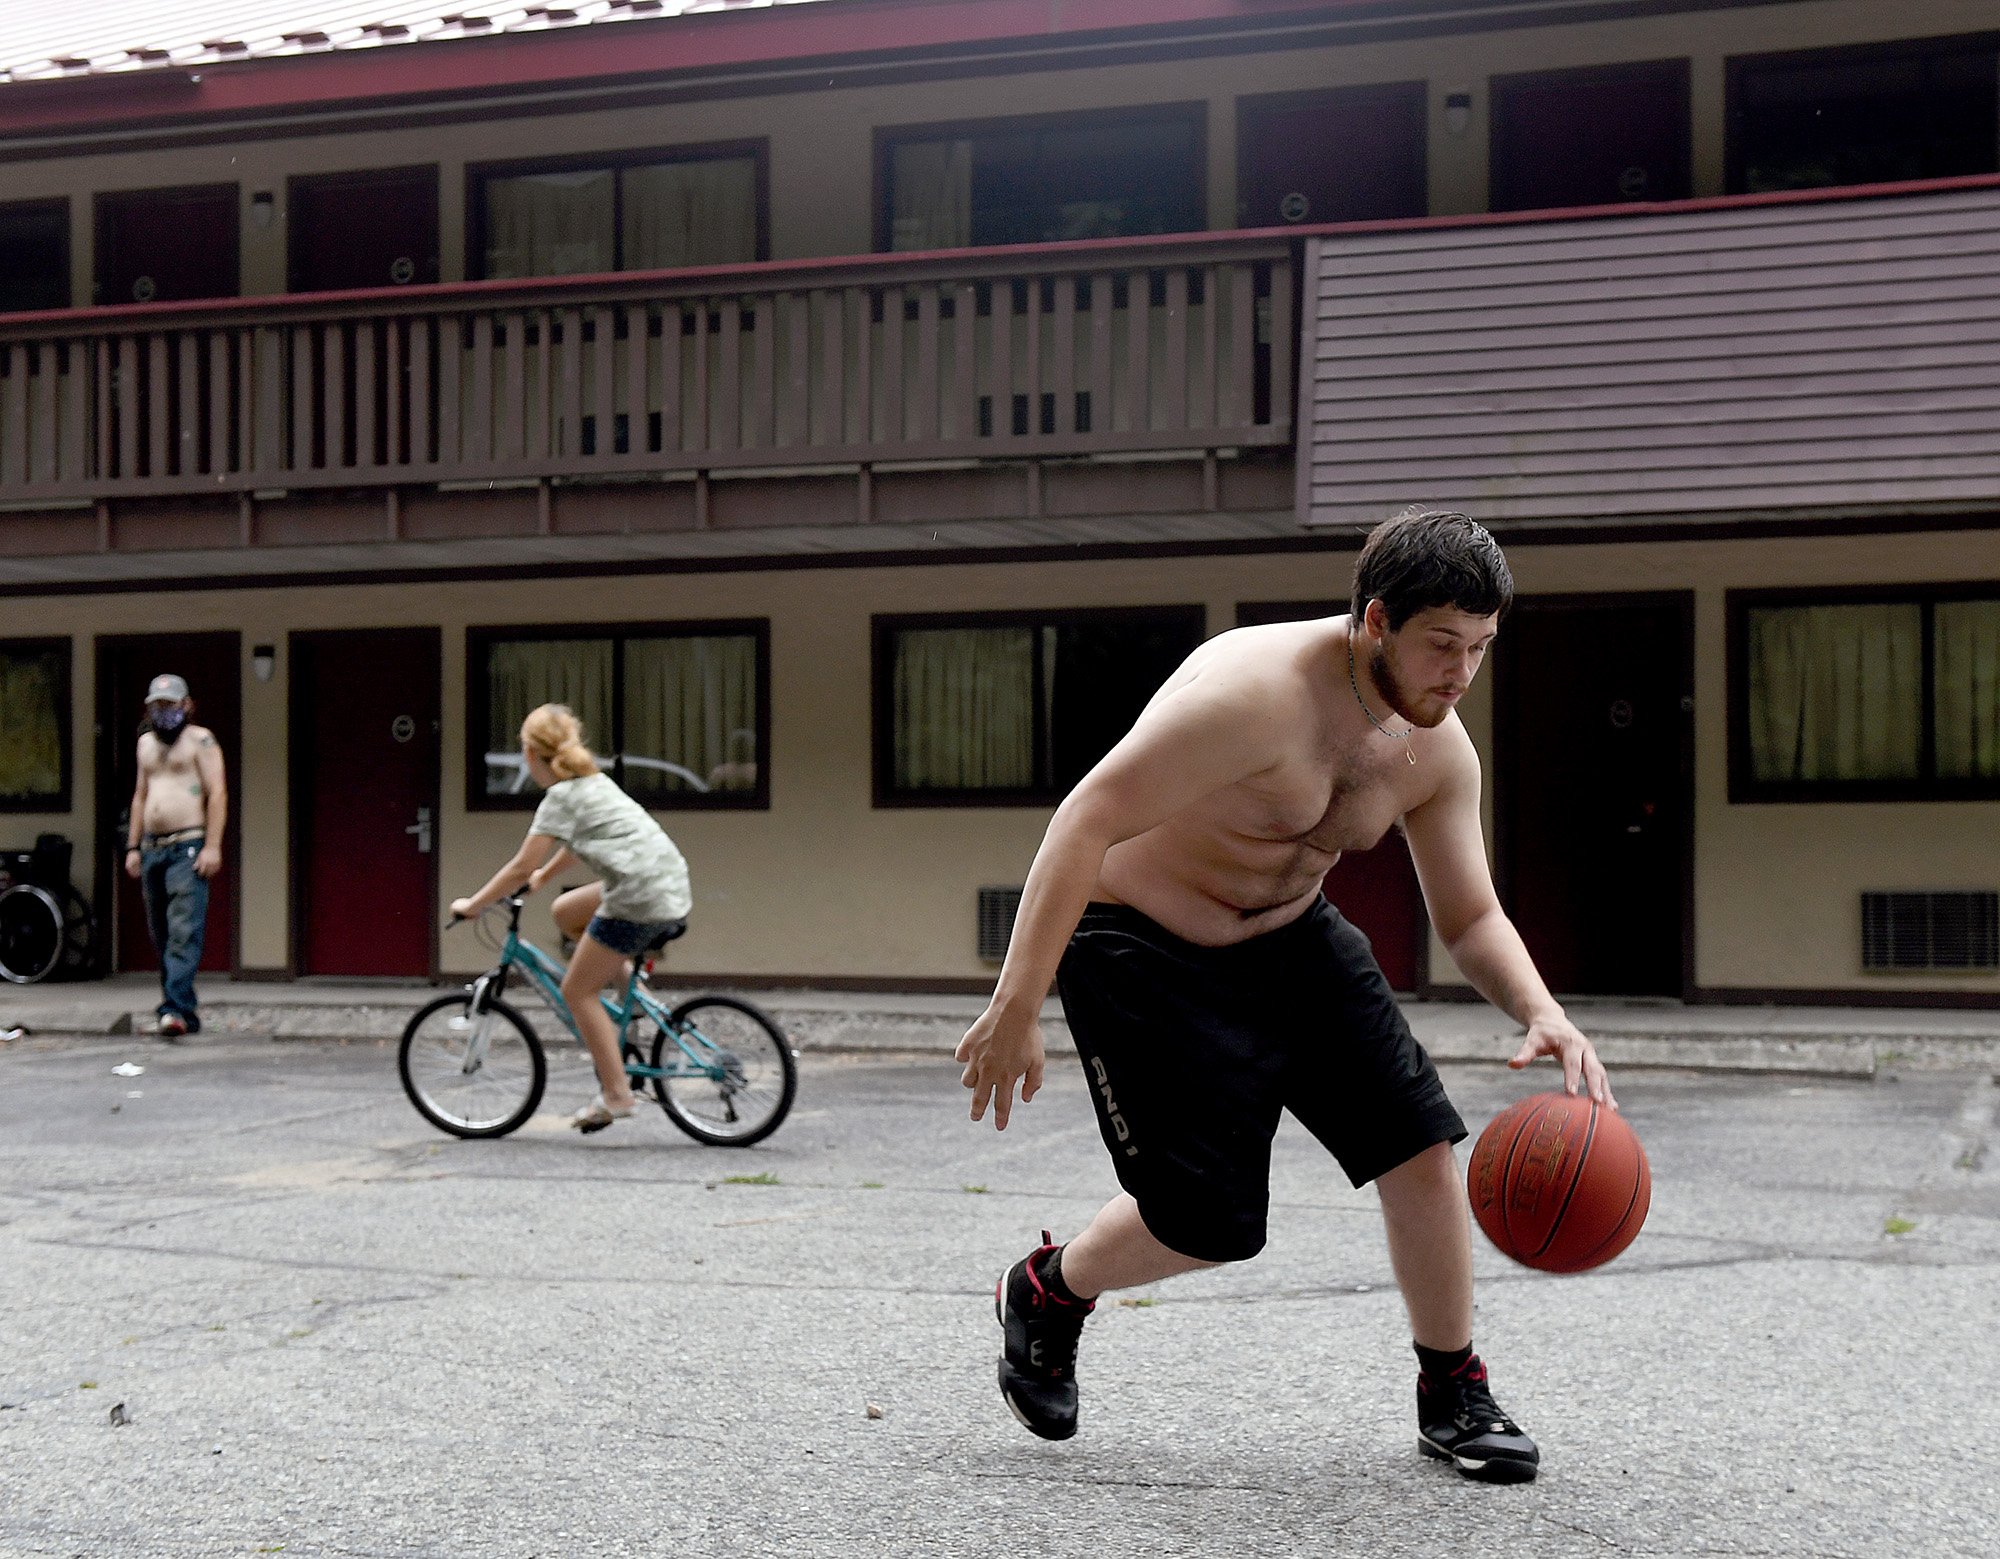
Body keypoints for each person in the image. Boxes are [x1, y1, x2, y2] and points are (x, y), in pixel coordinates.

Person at [955, 507, 1616, 1484]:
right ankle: (1049, 1291)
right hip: (1140, 941)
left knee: (1419, 1143)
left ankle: (1451, 1387)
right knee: (1206, 1223)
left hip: (1290, 933)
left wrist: (1541, 1009)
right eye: (1442, 644)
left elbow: (1469, 918)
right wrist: (1017, 1005)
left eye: (1478, 647)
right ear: (1376, 619)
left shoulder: (1434, 750)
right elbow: (1082, 819)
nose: (1460, 673)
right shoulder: (1249, 696)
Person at [451, 704, 693, 1133]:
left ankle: (617, 1096)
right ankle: (628, 990)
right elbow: (578, 840)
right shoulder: (591, 782)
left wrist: (475, 904)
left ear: (529, 753)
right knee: (565, 911)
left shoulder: (560, 797)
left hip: (637, 896)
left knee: (576, 992)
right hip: (665, 884)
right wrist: (546, 876)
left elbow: (519, 867)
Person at [124, 674, 226, 1040]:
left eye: (169, 704)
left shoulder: (202, 740)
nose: (163, 711)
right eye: (157, 705)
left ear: (186, 705)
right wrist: (133, 846)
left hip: (188, 846)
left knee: (184, 931)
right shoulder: (145, 744)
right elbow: (140, 796)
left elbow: (217, 793)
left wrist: (212, 846)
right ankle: (183, 1010)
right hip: (153, 847)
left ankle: (174, 1010)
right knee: (162, 934)